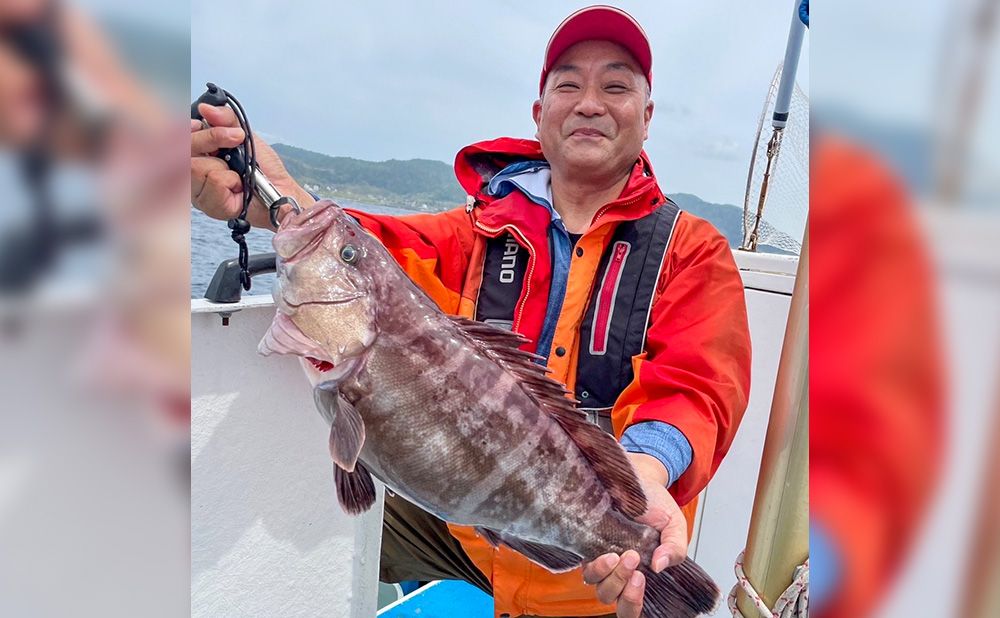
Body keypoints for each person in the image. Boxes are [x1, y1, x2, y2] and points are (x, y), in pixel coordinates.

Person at [191, 6, 751, 617]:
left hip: (589, 573)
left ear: (646, 118)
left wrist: (640, 475)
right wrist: (267, 192)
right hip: (463, 534)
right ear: (540, 116)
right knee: (283, 527)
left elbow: (699, 385)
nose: (589, 101)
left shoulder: (694, 250)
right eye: (568, 84)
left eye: (616, 86)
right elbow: (374, 259)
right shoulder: (475, 231)